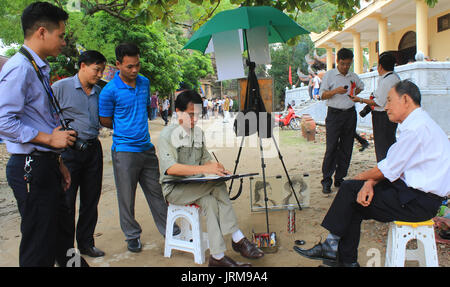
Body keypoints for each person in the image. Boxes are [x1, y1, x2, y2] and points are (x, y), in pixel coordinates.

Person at [294, 80, 450, 267]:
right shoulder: (418, 123)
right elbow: (389, 168)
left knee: (349, 191)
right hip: (411, 193)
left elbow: (386, 170)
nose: (386, 106)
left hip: (418, 202)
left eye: (390, 101)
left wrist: (358, 180)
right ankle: (343, 258)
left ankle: (334, 249)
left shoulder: (417, 129)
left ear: (406, 99)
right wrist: (368, 183)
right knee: (356, 198)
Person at [0, 2, 89, 267]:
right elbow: (3, 120)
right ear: (41, 32)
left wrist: (57, 160)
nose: (64, 42)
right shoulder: (20, 68)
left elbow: (39, 118)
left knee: (63, 237)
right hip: (31, 168)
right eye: (61, 35)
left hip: (46, 164)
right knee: (39, 247)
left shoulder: (38, 67)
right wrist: (49, 140)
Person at [158, 90, 264, 267]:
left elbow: (205, 158)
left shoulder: (198, 133)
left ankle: (217, 257)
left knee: (210, 201)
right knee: (217, 186)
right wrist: (206, 169)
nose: (194, 120)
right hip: (174, 189)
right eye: (191, 115)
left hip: (194, 186)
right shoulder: (167, 135)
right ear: (178, 112)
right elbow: (171, 168)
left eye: (198, 115)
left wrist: (217, 167)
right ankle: (238, 238)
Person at [99, 43, 179, 253]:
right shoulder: (109, 91)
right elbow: (106, 120)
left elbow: (143, 108)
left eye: (137, 65)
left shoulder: (144, 83)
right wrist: (125, 129)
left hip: (146, 148)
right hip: (124, 151)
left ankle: (170, 230)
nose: (135, 70)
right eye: (129, 66)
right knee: (126, 197)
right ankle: (132, 236)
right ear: (118, 65)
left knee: (156, 192)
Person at [52, 50, 107, 258]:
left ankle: (86, 243)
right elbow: (46, 115)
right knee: (67, 201)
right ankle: (66, 250)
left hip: (92, 149)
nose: (99, 74)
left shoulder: (99, 91)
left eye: (102, 70)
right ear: (82, 66)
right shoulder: (60, 87)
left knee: (91, 199)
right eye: (96, 69)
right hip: (68, 152)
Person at [319, 48, 364, 194]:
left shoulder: (352, 76)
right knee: (331, 148)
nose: (345, 67)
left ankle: (340, 178)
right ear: (337, 61)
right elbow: (322, 95)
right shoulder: (330, 75)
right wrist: (335, 91)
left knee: (346, 148)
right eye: (343, 64)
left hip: (350, 115)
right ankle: (327, 180)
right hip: (334, 115)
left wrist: (353, 93)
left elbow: (361, 86)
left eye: (348, 64)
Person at [351, 52, 400, 162]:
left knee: (383, 145)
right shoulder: (393, 77)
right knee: (388, 143)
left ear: (380, 66)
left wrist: (360, 99)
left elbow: (379, 102)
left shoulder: (388, 80)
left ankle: (384, 170)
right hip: (387, 116)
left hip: (383, 117)